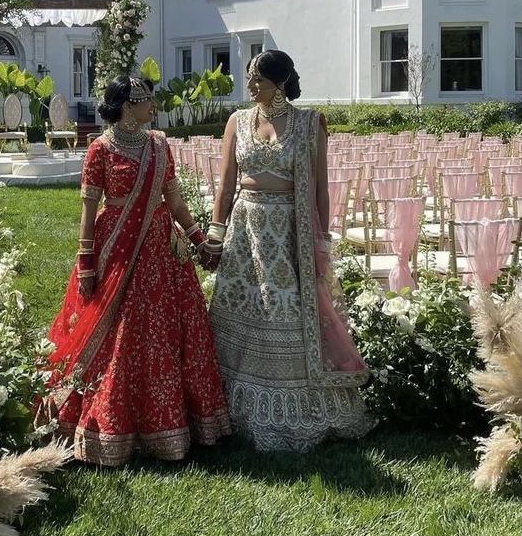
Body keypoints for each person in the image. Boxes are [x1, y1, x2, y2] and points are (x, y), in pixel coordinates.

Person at [40, 75, 230, 465]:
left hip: (160, 248)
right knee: (119, 332)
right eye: (147, 102)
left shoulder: (159, 145)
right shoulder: (99, 150)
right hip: (117, 251)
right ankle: (109, 425)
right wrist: (87, 262)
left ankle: (173, 423)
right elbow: (89, 212)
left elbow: (173, 200)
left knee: (163, 330)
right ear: (128, 105)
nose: (154, 108)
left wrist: (198, 241)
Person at [202, 50, 373, 452]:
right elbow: (226, 184)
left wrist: (321, 241)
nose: (249, 86)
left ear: (279, 83)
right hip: (246, 230)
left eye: (257, 79)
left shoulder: (309, 123)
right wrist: (215, 234)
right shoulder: (237, 121)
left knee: (286, 309)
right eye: (249, 78)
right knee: (242, 309)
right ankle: (229, 408)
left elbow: (319, 190)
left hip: (288, 233)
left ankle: (298, 408)